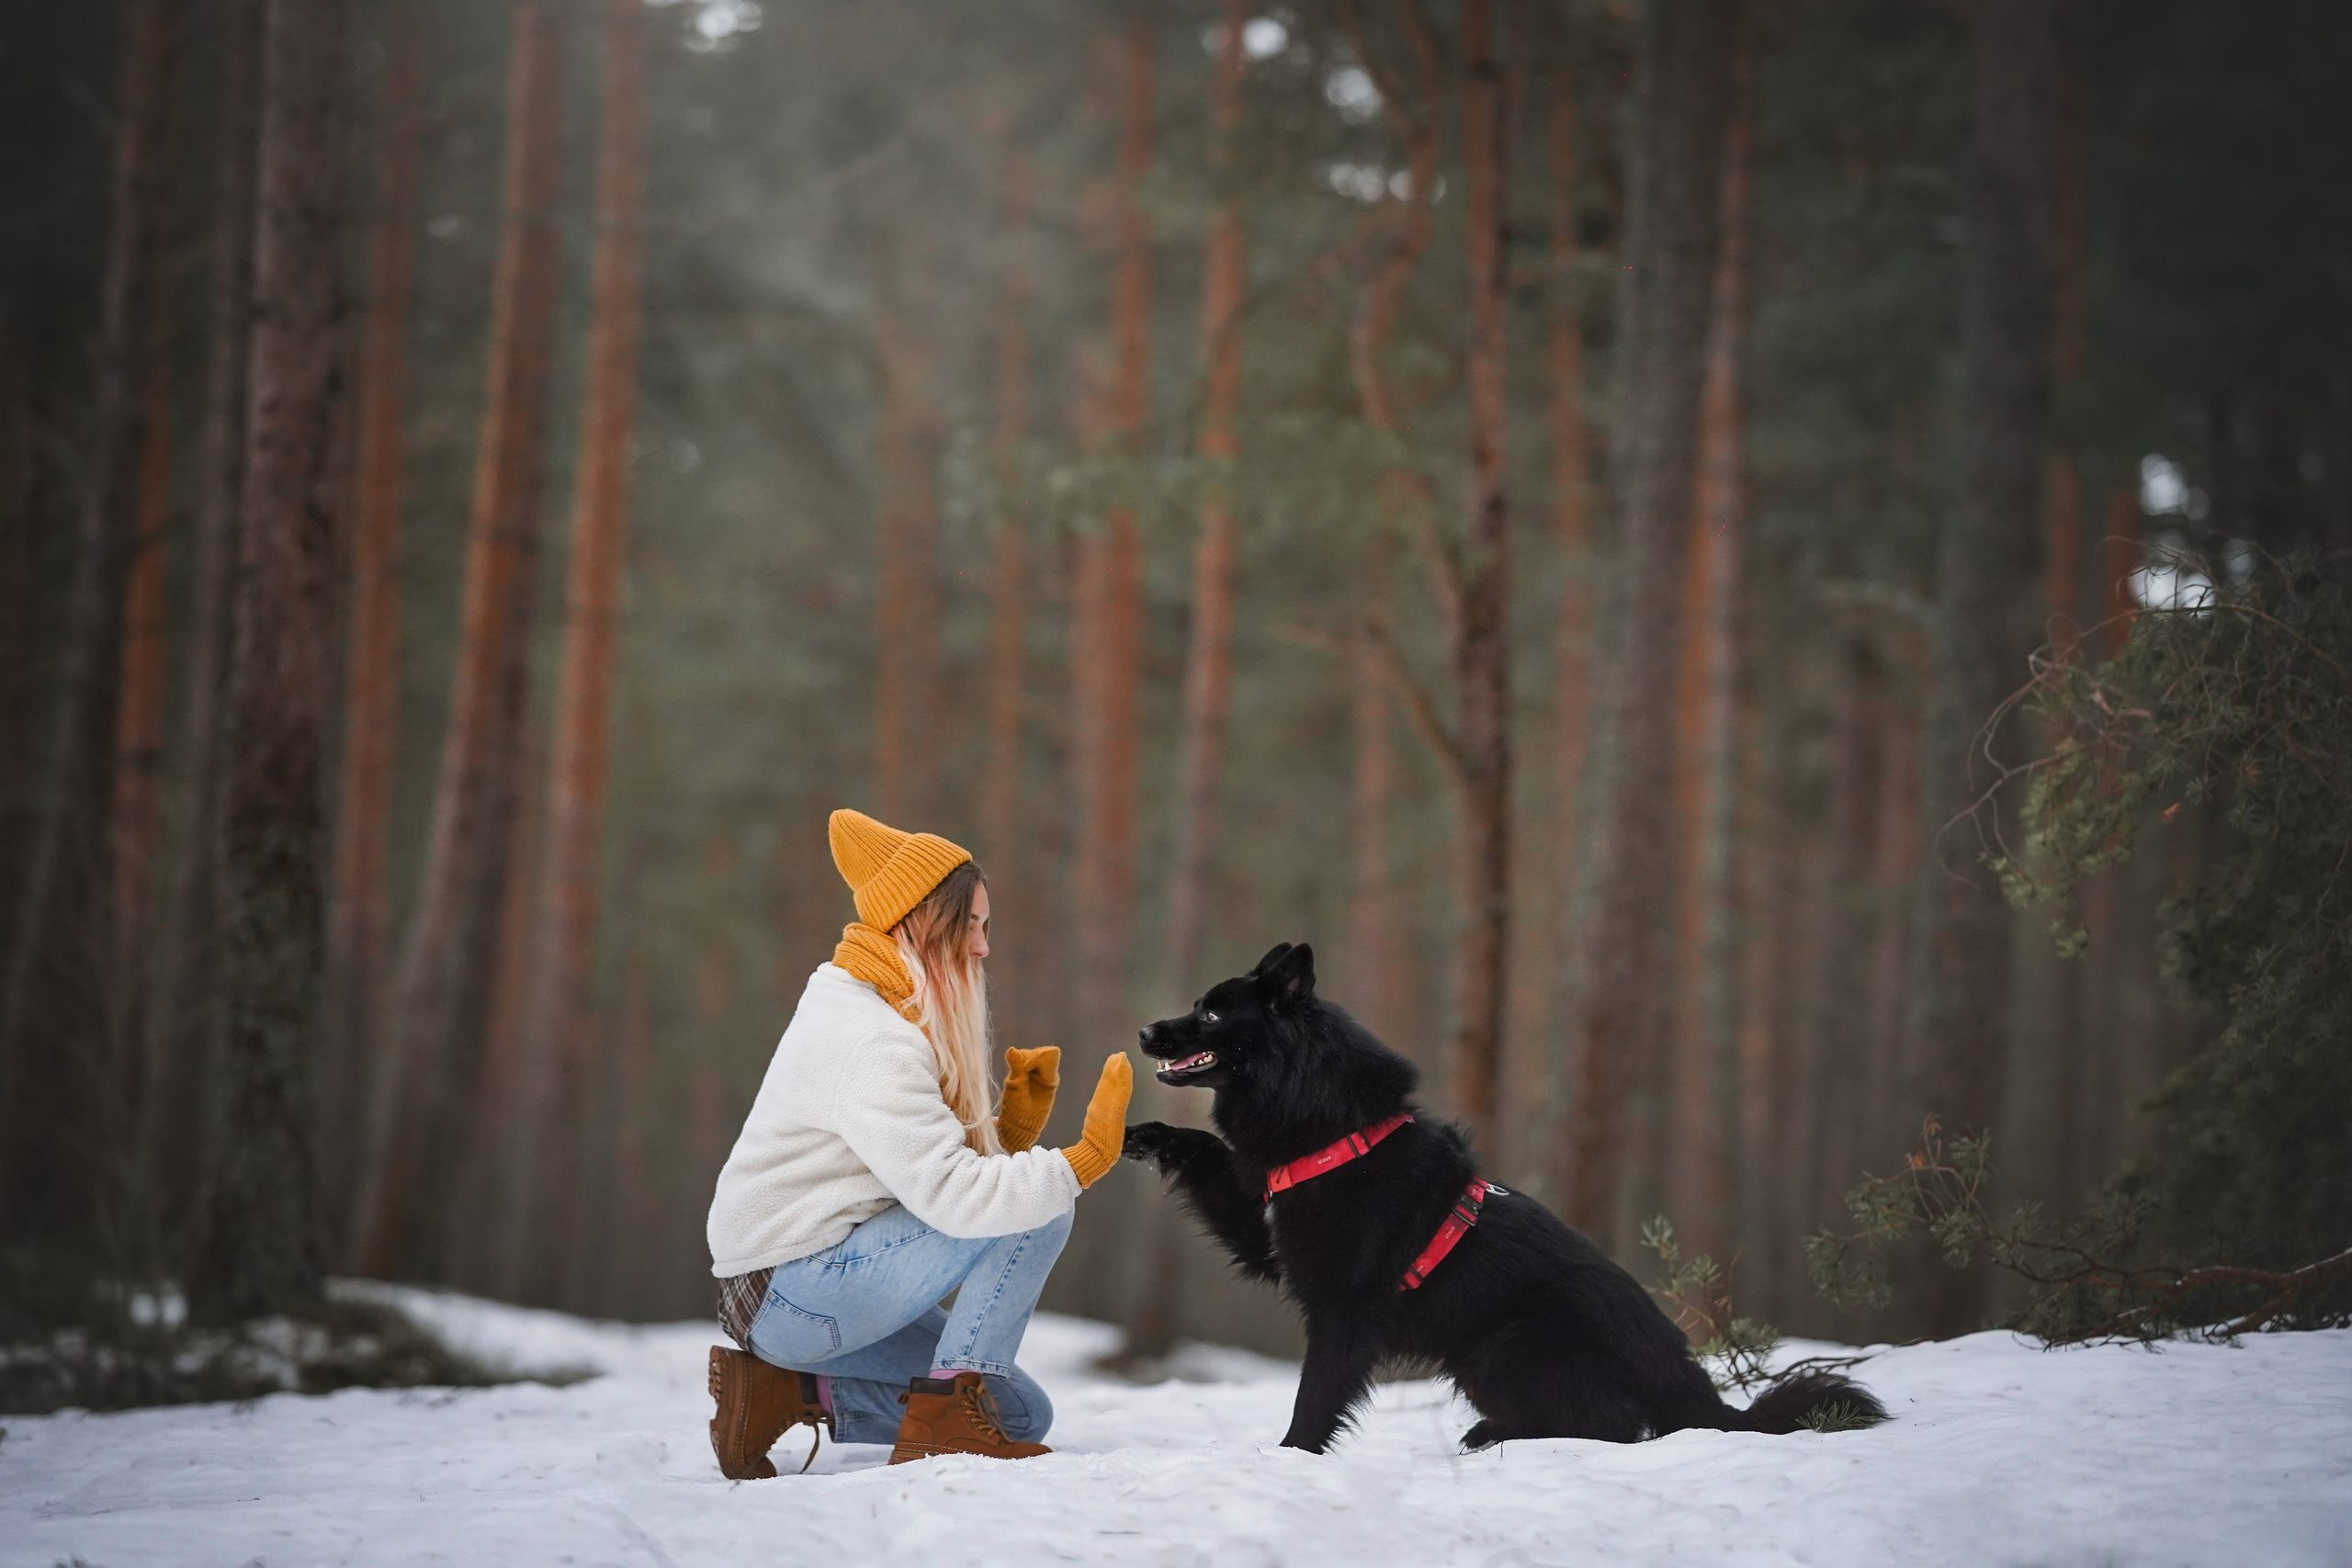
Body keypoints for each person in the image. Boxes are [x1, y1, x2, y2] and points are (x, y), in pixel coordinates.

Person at [704, 808, 1133, 1476]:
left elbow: (908, 1166)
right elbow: (952, 1198)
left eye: (987, 926)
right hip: (791, 1289)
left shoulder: (865, 1000)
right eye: (972, 924)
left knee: (1019, 1414)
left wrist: (1010, 1132)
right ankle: (944, 1422)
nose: (984, 946)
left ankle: (785, 1391)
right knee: (1044, 1204)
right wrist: (1083, 1162)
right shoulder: (873, 1037)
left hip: (793, 1292)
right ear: (923, 919)